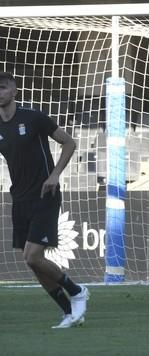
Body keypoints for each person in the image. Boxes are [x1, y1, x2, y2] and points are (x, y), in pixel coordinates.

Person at [0, 72, 89, 328]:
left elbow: (69, 143)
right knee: (33, 263)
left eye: (3, 88)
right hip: (19, 197)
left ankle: (77, 291)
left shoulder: (34, 117)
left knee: (32, 257)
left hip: (44, 195)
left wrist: (54, 175)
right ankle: (68, 312)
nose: (0, 93)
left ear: (14, 91)